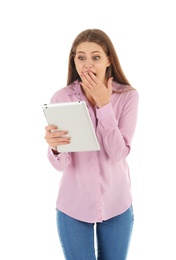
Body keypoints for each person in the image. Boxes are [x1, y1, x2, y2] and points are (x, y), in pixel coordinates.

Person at [44, 28, 139, 260]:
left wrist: (104, 106)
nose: (88, 64)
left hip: (117, 205)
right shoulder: (61, 98)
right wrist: (55, 147)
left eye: (96, 57)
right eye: (81, 57)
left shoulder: (128, 97)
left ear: (108, 60)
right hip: (73, 207)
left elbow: (118, 154)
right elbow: (61, 165)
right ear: (74, 62)